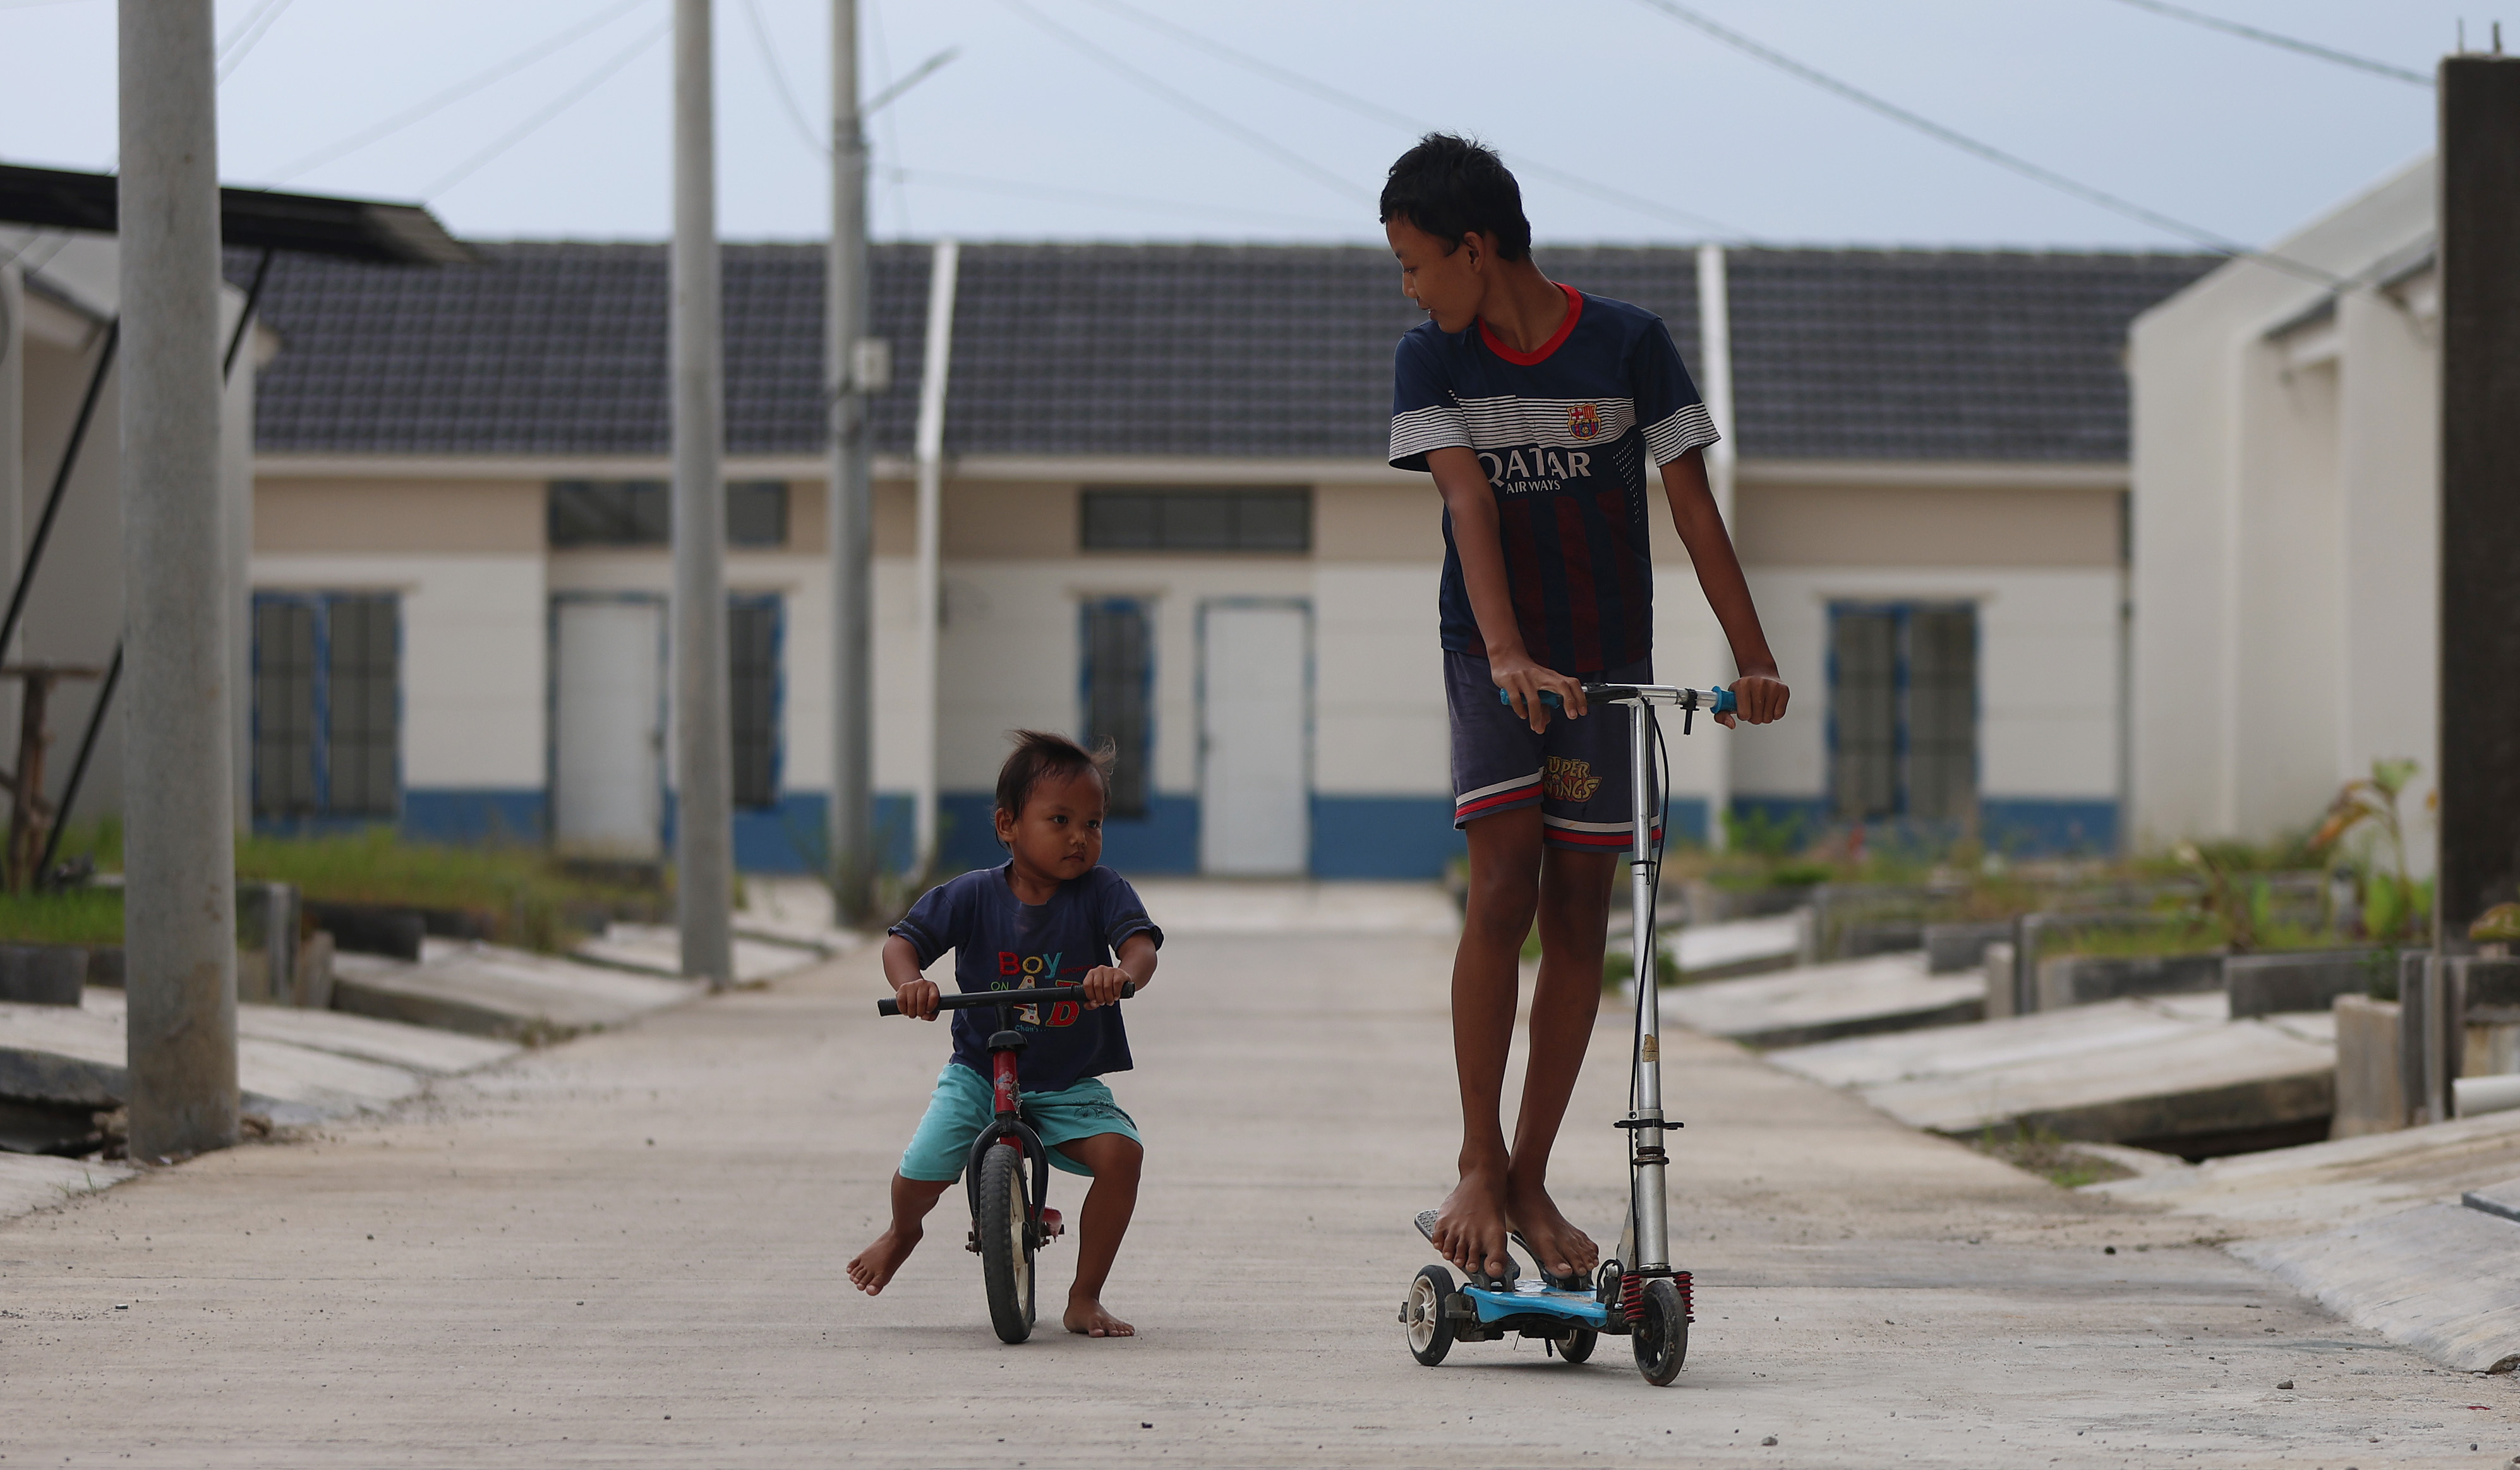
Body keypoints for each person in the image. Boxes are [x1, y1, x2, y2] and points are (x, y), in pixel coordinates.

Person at [1382, 134, 1790, 1286]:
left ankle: (1525, 1176)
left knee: (1579, 917)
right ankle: (1475, 1159)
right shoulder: (1431, 359)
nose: (1408, 288)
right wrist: (1506, 650)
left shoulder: (1627, 343)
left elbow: (1694, 514)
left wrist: (1752, 660)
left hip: (1605, 664)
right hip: (1490, 656)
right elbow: (1465, 501)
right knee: (1501, 885)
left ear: (1473, 247)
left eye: (1414, 262)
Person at [845, 730, 1161, 1338]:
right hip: (978, 1071)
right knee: (917, 1174)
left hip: (1067, 1081)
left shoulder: (1102, 891)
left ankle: (1084, 1295)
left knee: (1122, 1157)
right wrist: (912, 982)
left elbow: (1140, 945)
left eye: (1093, 823)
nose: (1079, 837)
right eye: (1060, 820)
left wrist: (1120, 975)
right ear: (1007, 825)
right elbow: (901, 942)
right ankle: (901, 1232)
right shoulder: (971, 893)